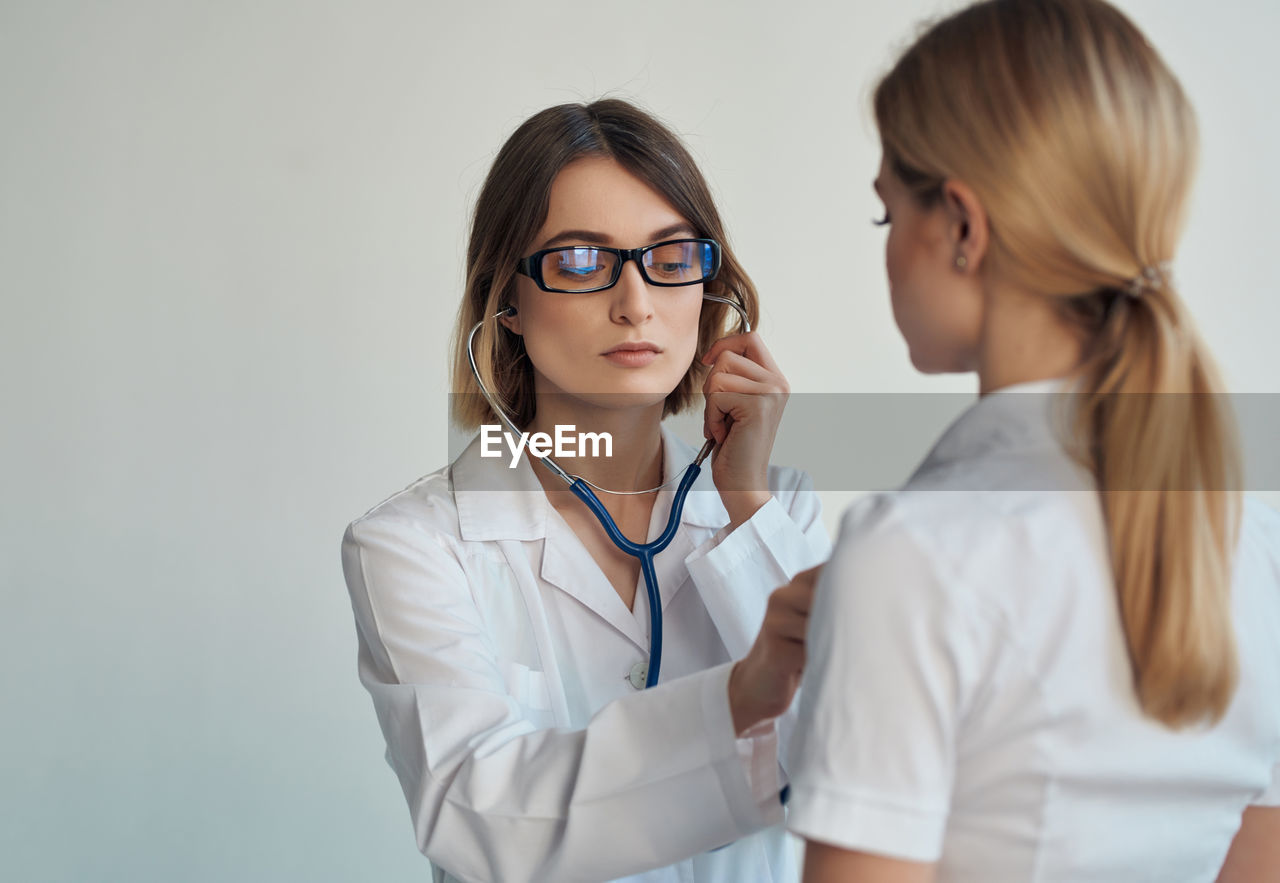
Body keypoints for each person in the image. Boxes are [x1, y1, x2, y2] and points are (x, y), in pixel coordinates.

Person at [782, 1, 1280, 881]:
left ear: (964, 228)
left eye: (886, 214)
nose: (889, 249)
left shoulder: (912, 555)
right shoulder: (1254, 548)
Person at [341, 98, 829, 883]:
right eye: (578, 261)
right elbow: (480, 815)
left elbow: (858, 760)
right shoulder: (414, 545)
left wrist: (748, 512)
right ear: (507, 303)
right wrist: (741, 706)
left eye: (671, 259)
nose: (635, 302)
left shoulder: (777, 509)